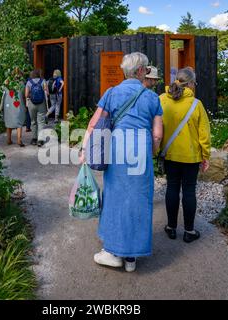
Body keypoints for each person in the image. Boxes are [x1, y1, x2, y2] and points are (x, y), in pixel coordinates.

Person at [80, 52, 164, 272]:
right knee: (139, 201)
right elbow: (157, 135)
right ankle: (131, 259)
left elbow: (94, 124)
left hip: (117, 152)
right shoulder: (151, 98)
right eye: (146, 69)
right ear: (139, 71)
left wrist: (84, 149)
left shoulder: (111, 93)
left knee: (115, 199)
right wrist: (151, 152)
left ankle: (112, 253)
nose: (147, 72)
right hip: (141, 155)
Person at [159, 67, 211, 243]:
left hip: (170, 154)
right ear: (189, 83)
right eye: (194, 83)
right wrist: (206, 155)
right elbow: (204, 133)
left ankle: (171, 227)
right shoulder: (196, 104)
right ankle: (189, 231)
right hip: (190, 156)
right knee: (189, 191)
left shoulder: (161, 100)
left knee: (172, 188)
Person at [0, 68, 27, 147]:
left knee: (9, 121)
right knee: (19, 122)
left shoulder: (8, 83)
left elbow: (3, 90)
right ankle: (19, 140)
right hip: (19, 104)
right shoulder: (22, 84)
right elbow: (24, 95)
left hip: (8, 105)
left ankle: (8, 139)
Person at [25, 69, 49, 147]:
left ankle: (34, 139)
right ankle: (40, 140)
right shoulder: (43, 81)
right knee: (41, 122)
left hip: (31, 104)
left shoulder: (29, 82)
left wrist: (31, 96)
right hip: (41, 104)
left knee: (33, 121)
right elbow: (47, 93)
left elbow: (26, 95)